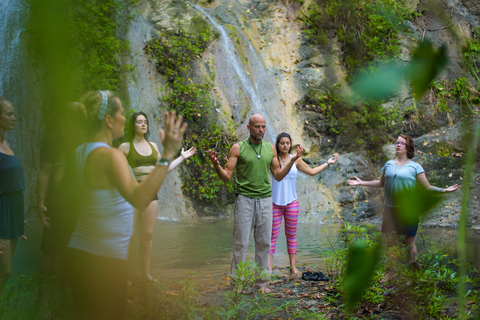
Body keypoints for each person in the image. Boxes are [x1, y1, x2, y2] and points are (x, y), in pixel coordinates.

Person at [65, 90, 186, 320]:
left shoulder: (80, 151)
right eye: (121, 112)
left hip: (83, 254)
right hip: (101, 262)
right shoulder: (110, 156)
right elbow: (139, 198)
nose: (124, 117)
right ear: (108, 120)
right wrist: (168, 152)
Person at [208, 114, 303, 293]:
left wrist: (292, 160)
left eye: (263, 127)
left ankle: (262, 284)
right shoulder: (238, 148)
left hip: (267, 200)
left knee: (264, 243)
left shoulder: (270, 149)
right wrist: (216, 165)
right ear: (249, 128)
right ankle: (237, 285)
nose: (261, 130)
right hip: (244, 200)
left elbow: (278, 175)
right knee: (241, 243)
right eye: (257, 126)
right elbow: (227, 176)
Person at [347, 134, 459, 261]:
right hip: (389, 210)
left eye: (402, 143)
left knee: (409, 243)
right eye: (396, 143)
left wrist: (444, 190)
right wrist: (362, 182)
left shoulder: (415, 167)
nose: (398, 145)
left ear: (408, 148)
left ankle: (413, 271)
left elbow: (427, 187)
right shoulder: (388, 164)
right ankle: (391, 273)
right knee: (390, 243)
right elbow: (381, 183)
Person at [118, 112, 195, 282]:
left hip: (151, 193)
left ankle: (145, 273)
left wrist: (182, 157)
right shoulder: (124, 147)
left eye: (145, 122)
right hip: (131, 192)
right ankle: (124, 274)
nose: (143, 125)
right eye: (139, 122)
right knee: (128, 235)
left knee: (147, 235)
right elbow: (116, 172)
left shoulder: (153, 146)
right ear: (133, 126)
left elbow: (163, 168)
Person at [270, 132, 339, 275]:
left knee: (291, 235)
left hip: (291, 203)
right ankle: (269, 267)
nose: (285, 145)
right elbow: (278, 175)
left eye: (287, 143)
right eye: (282, 143)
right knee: (272, 235)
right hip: (275, 202)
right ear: (277, 144)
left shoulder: (295, 159)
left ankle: (293, 267)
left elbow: (312, 172)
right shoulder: (273, 159)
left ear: (290, 144)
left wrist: (328, 162)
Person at [0, 98, 26, 292]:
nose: (14, 118)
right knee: (4, 272)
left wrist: (19, 214)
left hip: (13, 215)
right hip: (2, 215)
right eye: (9, 114)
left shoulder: (6, 144)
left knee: (3, 273)